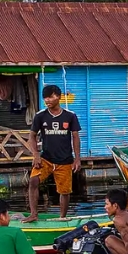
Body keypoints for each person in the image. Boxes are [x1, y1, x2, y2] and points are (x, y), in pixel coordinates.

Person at [26, 84, 82, 221]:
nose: (47, 100)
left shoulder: (70, 116)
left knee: (65, 191)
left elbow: (75, 137)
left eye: (50, 97)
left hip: (65, 160)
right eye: (45, 98)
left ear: (59, 97)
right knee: (33, 181)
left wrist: (77, 159)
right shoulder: (40, 116)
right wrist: (36, 155)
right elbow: (31, 136)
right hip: (46, 159)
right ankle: (33, 214)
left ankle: (62, 217)